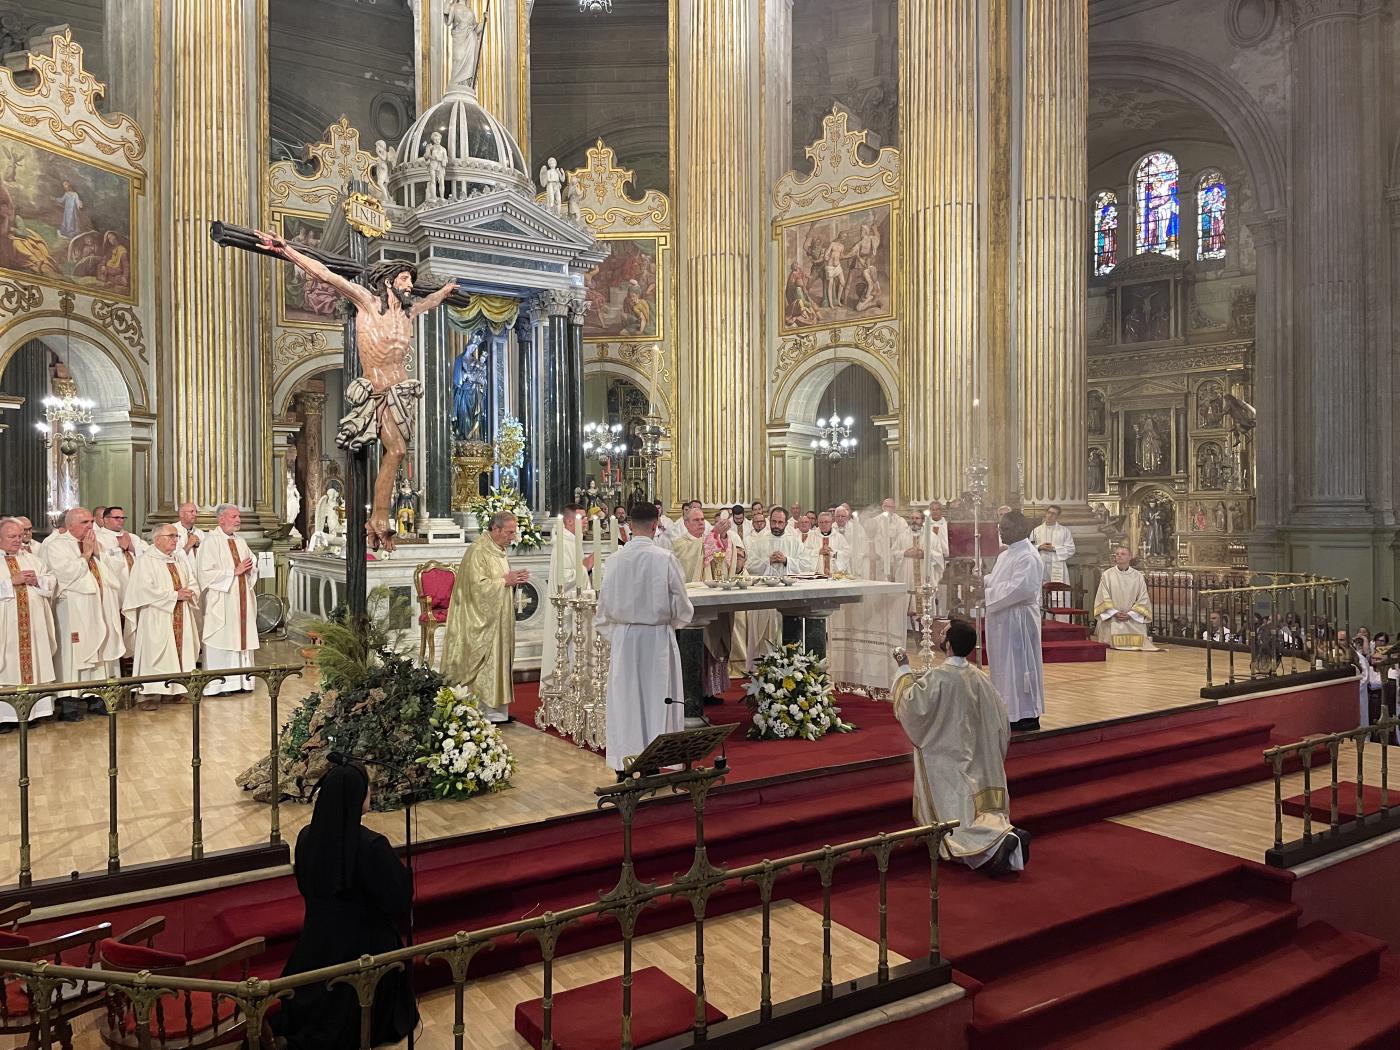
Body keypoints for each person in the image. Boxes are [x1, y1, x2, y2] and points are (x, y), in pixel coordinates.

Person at [256, 233, 457, 550]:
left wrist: (444, 292)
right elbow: (325, 274)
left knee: (398, 451)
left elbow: (429, 302)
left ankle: (379, 517)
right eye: (405, 278)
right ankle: (377, 518)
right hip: (376, 388)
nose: (409, 285)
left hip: (401, 390)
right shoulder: (366, 301)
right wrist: (287, 250)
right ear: (389, 281)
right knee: (397, 451)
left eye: (411, 280)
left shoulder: (407, 312)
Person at [275, 763, 417, 1050]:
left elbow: (305, 883)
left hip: (315, 945)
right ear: (358, 797)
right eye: (368, 789)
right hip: (365, 951)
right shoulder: (372, 846)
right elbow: (398, 900)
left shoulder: (304, 837)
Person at [891, 621, 1028, 874]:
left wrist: (903, 669)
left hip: (949, 758)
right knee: (982, 809)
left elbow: (911, 706)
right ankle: (1003, 835)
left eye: (943, 634)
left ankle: (993, 841)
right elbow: (1000, 720)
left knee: (957, 815)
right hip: (979, 757)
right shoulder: (979, 677)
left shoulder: (939, 678)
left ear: (950, 645)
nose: (939, 636)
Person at [594, 501, 693, 773]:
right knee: (658, 697)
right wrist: (670, 624)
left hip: (625, 638)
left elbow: (602, 611)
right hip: (657, 638)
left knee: (627, 699)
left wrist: (621, 632)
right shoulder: (664, 559)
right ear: (654, 525)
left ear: (629, 526)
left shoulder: (614, 560)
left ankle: (625, 761)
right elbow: (683, 607)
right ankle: (656, 760)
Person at [440, 511, 527, 723]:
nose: (512, 537)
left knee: (499, 659)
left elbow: (498, 579)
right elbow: (475, 587)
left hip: (499, 617)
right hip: (480, 619)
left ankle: (497, 711)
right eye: (508, 532)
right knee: (485, 662)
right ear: (495, 529)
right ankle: (479, 709)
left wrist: (512, 581)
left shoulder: (498, 550)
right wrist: (504, 581)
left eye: (514, 532)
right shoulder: (478, 550)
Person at [47, 507, 124, 720]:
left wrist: (97, 553)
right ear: (69, 525)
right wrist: (86, 554)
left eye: (91, 521)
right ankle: (70, 704)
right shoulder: (57, 546)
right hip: (73, 609)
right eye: (84, 522)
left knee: (101, 650)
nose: (90, 526)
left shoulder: (95, 542)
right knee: (75, 655)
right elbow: (65, 574)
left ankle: (95, 698)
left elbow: (114, 570)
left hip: (98, 606)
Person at [123, 524, 200, 706]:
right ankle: (148, 695)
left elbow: (192, 581)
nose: (176, 540)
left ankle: (176, 690)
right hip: (156, 616)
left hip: (181, 612)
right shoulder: (145, 561)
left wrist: (190, 592)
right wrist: (175, 595)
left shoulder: (179, 560)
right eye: (171, 536)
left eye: (176, 536)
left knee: (180, 653)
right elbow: (143, 590)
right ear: (157, 539)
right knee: (155, 655)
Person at [985, 511, 1045, 733]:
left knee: (1020, 667)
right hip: (1003, 620)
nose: (1000, 531)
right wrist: (983, 581)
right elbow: (1000, 579)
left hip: (1019, 620)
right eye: (1000, 527)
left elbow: (1020, 588)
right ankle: (1007, 710)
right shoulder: (1006, 554)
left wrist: (988, 594)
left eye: (1005, 528)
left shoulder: (1028, 556)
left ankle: (1026, 714)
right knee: (1003, 667)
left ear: (1020, 530)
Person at [196, 504, 259, 695]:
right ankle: (220, 685)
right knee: (222, 638)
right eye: (234, 516)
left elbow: (251, 563)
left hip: (242, 599)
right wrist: (234, 571)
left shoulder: (240, 541)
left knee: (241, 638)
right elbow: (204, 573)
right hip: (222, 600)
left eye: (239, 516)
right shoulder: (210, 542)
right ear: (221, 519)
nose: (238, 520)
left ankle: (242, 682)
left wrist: (250, 570)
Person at [0, 518, 57, 727]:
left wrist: (38, 581)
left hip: (33, 627)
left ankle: (34, 712)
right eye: (12, 537)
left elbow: (51, 580)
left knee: (34, 663)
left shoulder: (31, 558)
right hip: (6, 628)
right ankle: (4, 717)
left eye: (20, 536)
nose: (18, 540)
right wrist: (9, 583)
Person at [540, 505, 592, 683]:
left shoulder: (572, 540)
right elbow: (565, 577)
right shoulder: (564, 543)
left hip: (574, 606)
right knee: (569, 648)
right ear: (569, 521)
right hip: (567, 609)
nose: (587, 521)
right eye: (582, 518)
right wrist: (585, 567)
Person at [1092, 545, 1159, 651]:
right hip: (1113, 618)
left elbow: (1143, 598)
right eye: (1117, 554)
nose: (1119, 556)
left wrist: (1130, 614)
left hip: (1131, 618)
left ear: (1130, 557)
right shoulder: (1107, 575)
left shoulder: (1138, 576)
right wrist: (1114, 613)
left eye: (1123, 554)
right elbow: (1103, 597)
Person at [1030, 504, 1075, 584]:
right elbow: (1029, 548)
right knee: (1041, 591)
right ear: (1046, 513)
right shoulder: (1036, 531)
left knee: (1057, 593)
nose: (1050, 515)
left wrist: (1054, 549)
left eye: (1053, 514)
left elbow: (1071, 549)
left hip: (1057, 566)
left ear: (1057, 516)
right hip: (1041, 564)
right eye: (1049, 512)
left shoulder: (1064, 531)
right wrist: (1040, 547)